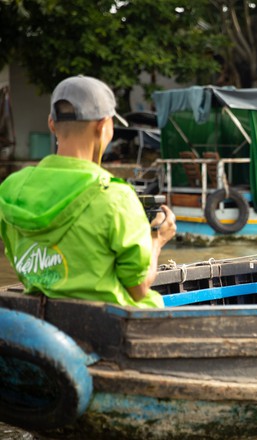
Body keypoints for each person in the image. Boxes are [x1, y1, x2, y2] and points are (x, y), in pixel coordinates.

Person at [0, 75, 176, 308]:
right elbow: (139, 288)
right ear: (103, 126)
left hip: (41, 315)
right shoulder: (116, 197)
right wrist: (157, 239)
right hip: (113, 325)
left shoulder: (12, 188)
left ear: (52, 124)